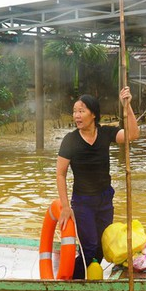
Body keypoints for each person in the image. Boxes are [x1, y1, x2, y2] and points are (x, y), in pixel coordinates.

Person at [56, 87, 140, 279]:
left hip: (104, 199)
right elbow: (60, 174)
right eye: (75, 111)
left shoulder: (105, 134)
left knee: (102, 246)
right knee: (89, 246)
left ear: (93, 114)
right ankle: (72, 281)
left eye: (81, 111)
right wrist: (66, 207)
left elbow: (133, 135)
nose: (77, 115)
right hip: (83, 201)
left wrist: (127, 106)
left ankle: (90, 279)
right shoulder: (70, 140)